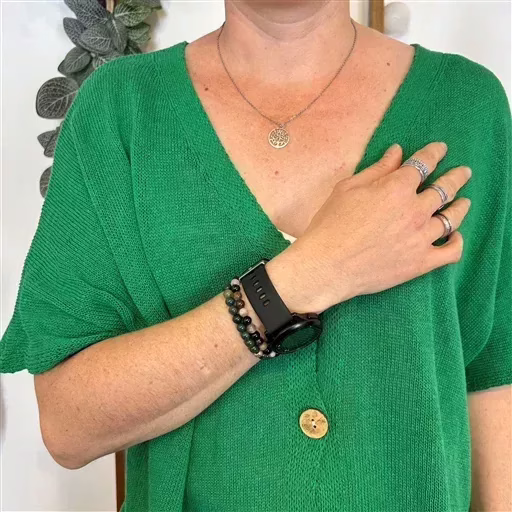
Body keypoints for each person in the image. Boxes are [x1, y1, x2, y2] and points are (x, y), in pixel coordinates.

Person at [1, 1, 510, 511]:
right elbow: (68, 425)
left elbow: (493, 383)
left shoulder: (468, 106)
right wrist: (308, 275)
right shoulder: (121, 109)